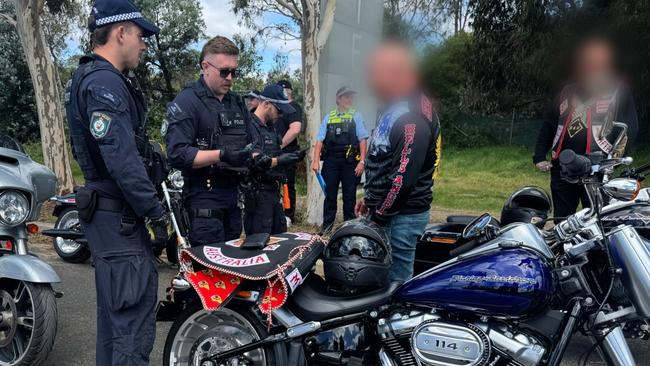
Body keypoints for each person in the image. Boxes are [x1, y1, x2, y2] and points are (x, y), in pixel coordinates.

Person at [64, 1, 165, 364]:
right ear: (120, 31)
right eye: (140, 35)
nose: (143, 44)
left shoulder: (90, 78)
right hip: (117, 218)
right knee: (130, 329)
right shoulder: (103, 82)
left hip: (109, 217)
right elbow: (121, 159)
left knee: (115, 323)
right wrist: (155, 213)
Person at [355, 42, 441, 283]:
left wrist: (380, 214)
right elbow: (383, 157)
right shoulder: (396, 106)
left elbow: (402, 178)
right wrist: (370, 199)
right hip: (389, 210)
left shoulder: (411, 117)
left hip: (400, 217)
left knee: (395, 284)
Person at [533, 36, 638, 219]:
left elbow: (630, 127)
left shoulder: (617, 91)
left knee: (597, 222)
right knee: (563, 223)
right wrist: (539, 156)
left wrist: (613, 160)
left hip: (596, 169)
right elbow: (550, 123)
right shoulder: (565, 91)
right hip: (562, 168)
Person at [165, 36, 255, 245]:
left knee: (230, 264)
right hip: (203, 198)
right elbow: (177, 153)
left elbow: (251, 142)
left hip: (233, 197)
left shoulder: (236, 103)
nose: (230, 78)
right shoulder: (188, 101)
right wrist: (221, 155)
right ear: (205, 66)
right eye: (224, 71)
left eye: (235, 72)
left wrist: (258, 159)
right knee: (207, 271)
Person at [244, 85, 304, 234]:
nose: (281, 115)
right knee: (260, 242)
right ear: (266, 104)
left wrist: (292, 158)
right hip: (257, 194)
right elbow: (255, 161)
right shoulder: (250, 127)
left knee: (280, 239)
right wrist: (280, 160)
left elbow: (274, 153)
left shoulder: (271, 129)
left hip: (274, 192)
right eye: (279, 110)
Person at [312, 86, 369, 233]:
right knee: (330, 195)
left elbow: (362, 140)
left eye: (351, 97)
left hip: (350, 162)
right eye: (346, 97)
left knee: (349, 196)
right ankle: (327, 229)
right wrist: (315, 160)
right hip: (331, 161)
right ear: (338, 99)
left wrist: (362, 162)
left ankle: (348, 230)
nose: (349, 99)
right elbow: (319, 140)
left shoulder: (356, 115)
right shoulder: (329, 117)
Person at [275, 79, 303, 222]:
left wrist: (279, 146)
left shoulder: (293, 107)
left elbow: (295, 130)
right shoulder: (277, 107)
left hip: (287, 152)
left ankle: (288, 214)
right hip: (274, 153)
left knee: (288, 184)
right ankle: (278, 214)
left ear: (289, 91)